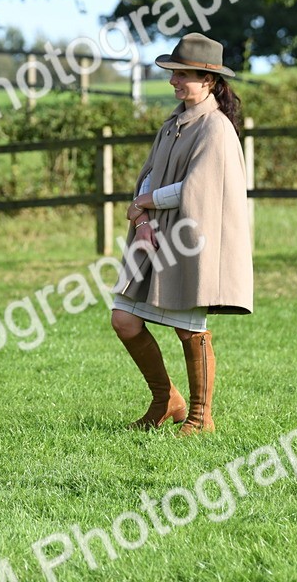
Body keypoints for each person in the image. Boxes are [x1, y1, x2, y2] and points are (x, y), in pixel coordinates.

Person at [111, 32, 253, 435]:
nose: (173, 80)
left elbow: (198, 189)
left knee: (187, 326)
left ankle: (201, 416)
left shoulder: (215, 128)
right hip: (154, 235)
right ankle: (167, 401)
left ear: (208, 80)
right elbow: (150, 175)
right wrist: (141, 219)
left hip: (190, 240)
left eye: (182, 74)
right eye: (172, 73)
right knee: (124, 319)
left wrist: (147, 201)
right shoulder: (174, 123)